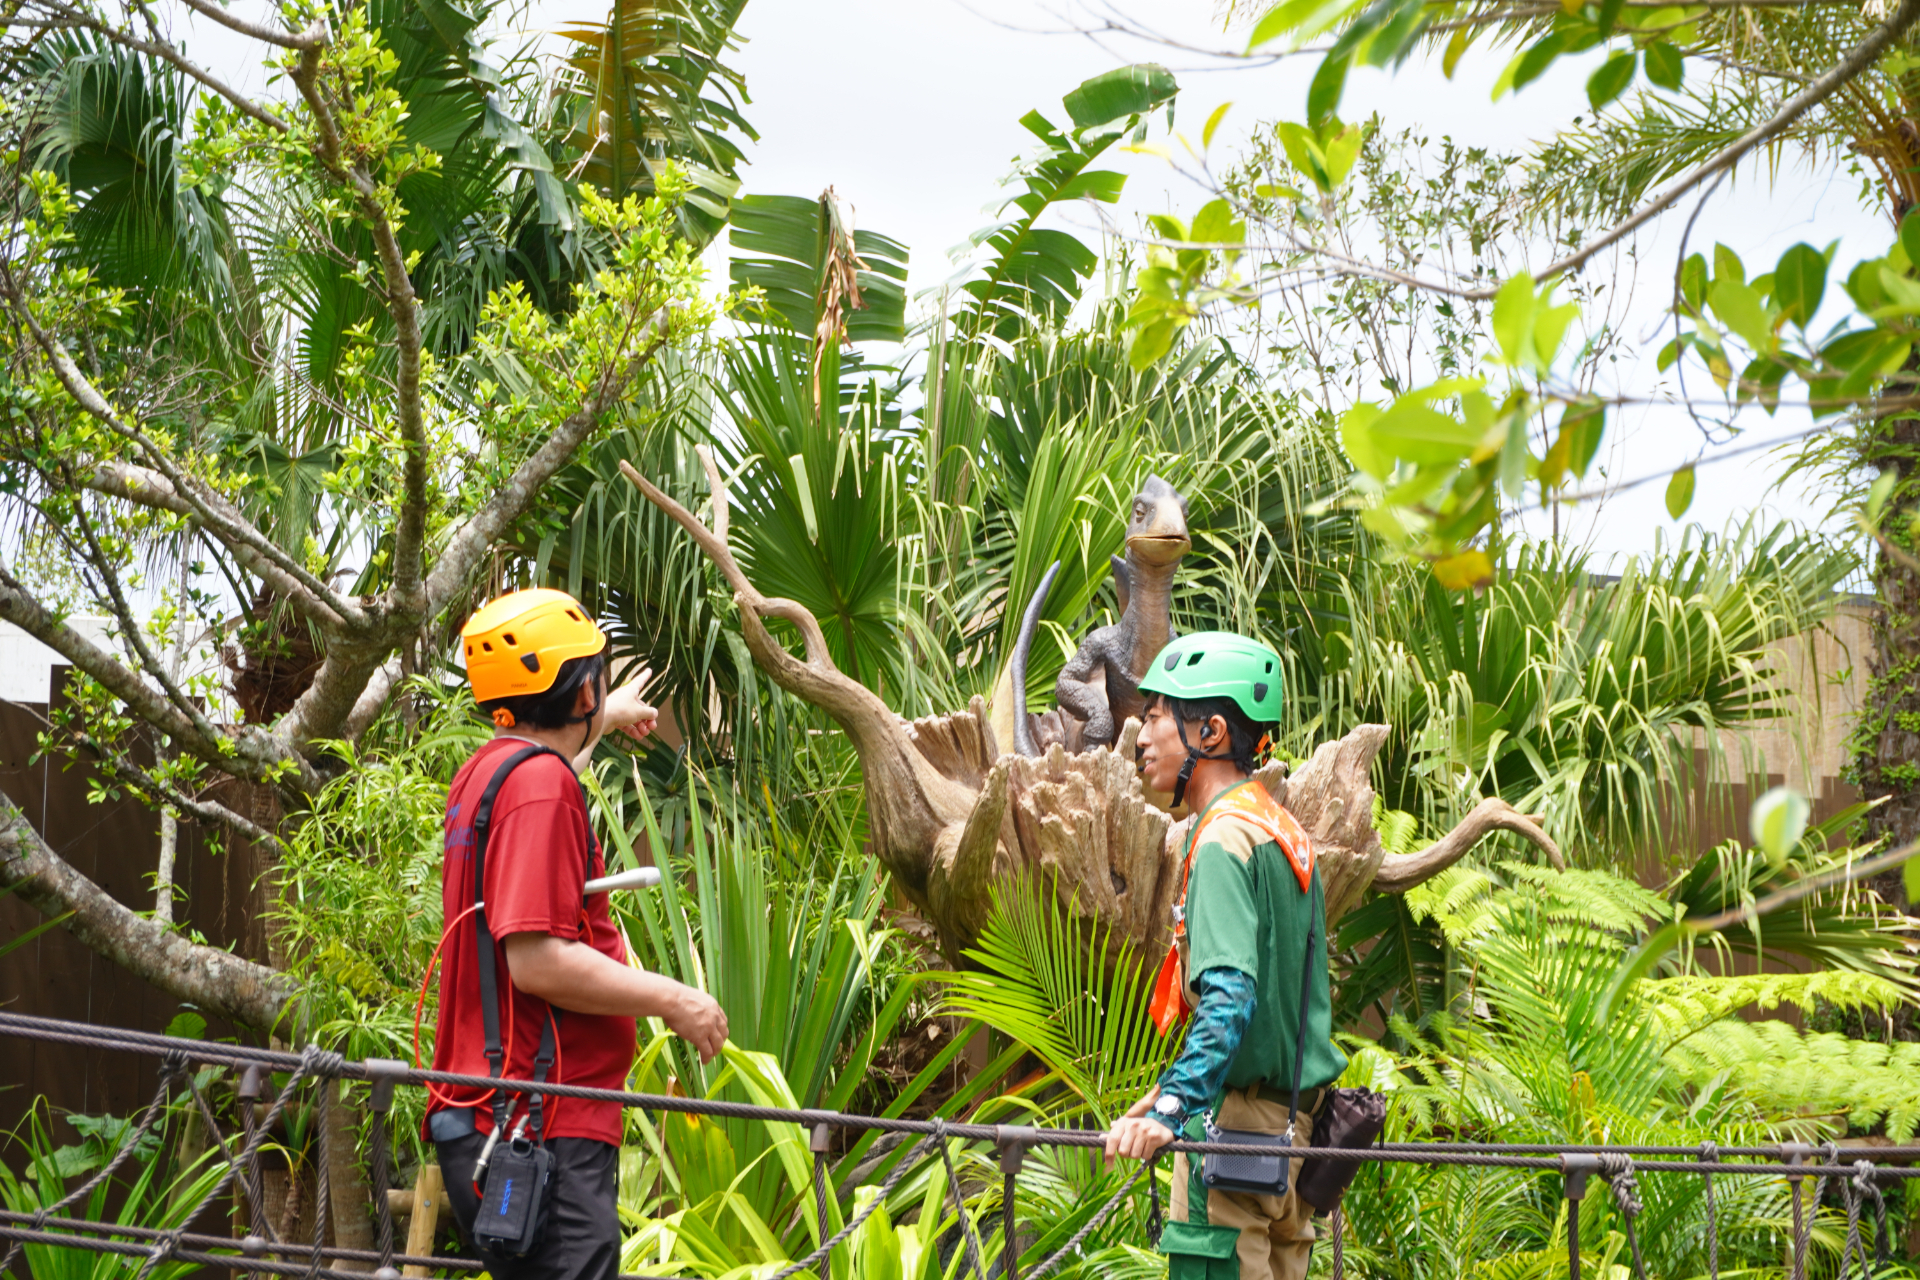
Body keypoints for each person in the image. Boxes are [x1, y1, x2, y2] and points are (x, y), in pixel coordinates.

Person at [429, 588, 728, 1280]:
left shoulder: (487, 774)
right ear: (577, 690)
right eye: (596, 672)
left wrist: (603, 719)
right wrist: (671, 999)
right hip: (541, 1126)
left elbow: (545, 778)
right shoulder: (541, 790)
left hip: (491, 1116)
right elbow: (535, 960)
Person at [1103, 632, 1347, 1280]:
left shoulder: (1220, 839)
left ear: (1209, 731)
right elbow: (1277, 1003)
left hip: (1234, 1142)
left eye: (1157, 714)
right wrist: (1167, 1088)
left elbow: (1233, 993)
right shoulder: (1279, 829)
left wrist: (1173, 1106)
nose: (1141, 734)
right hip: (1293, 1133)